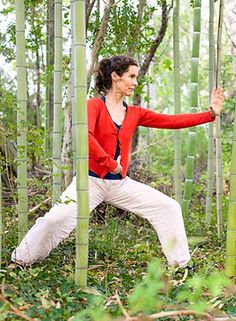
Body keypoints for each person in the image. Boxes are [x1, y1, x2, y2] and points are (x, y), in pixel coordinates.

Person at [11, 55, 224, 269]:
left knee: (169, 207)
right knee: (55, 220)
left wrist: (209, 114)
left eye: (136, 77)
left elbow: (171, 121)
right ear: (115, 77)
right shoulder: (93, 106)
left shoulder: (135, 113)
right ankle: (22, 259)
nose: (135, 82)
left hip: (120, 185)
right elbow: (85, 137)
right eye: (131, 76)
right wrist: (110, 163)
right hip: (89, 182)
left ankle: (181, 265)